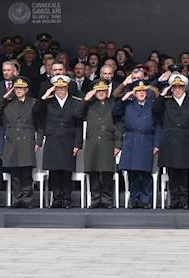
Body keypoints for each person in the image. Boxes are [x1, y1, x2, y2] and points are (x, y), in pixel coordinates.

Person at [0, 77, 40, 208]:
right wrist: (4, 97)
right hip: (11, 140)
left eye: (21, 88)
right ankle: (17, 199)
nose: (18, 90)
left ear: (26, 89)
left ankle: (27, 199)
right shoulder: (7, 103)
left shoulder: (33, 103)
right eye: (16, 88)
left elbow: (40, 123)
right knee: (15, 174)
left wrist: (39, 141)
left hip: (27, 139)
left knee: (26, 173)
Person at [154, 74, 189, 209]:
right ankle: (174, 200)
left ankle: (184, 201)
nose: (177, 90)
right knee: (172, 173)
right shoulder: (166, 101)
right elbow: (155, 109)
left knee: (184, 173)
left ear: (185, 88)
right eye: (174, 87)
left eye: (180, 87)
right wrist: (163, 94)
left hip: (185, 141)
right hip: (170, 142)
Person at [39, 75, 84, 208]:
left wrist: (77, 144)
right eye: (57, 88)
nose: (60, 91)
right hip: (53, 139)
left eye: (62, 88)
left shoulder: (74, 102)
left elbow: (78, 124)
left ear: (67, 88)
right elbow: (36, 111)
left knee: (66, 171)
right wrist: (45, 95)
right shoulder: (48, 101)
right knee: (54, 171)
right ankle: (57, 199)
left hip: (68, 140)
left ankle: (67, 199)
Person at [115, 80, 161, 209]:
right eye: (138, 91)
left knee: (146, 173)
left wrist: (157, 143)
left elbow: (158, 125)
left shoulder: (152, 105)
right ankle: (134, 198)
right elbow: (115, 112)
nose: (141, 93)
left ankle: (146, 199)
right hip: (131, 141)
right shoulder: (128, 104)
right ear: (133, 93)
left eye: (143, 90)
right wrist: (123, 99)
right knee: (132, 173)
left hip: (147, 140)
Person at [81, 80, 123, 208]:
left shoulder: (113, 104)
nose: (101, 93)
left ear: (107, 91)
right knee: (93, 172)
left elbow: (119, 125)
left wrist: (118, 144)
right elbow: (77, 113)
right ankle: (95, 199)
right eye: (98, 91)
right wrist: (86, 99)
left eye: (103, 90)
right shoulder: (89, 104)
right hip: (92, 142)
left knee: (106, 173)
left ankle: (107, 199)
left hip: (108, 142)